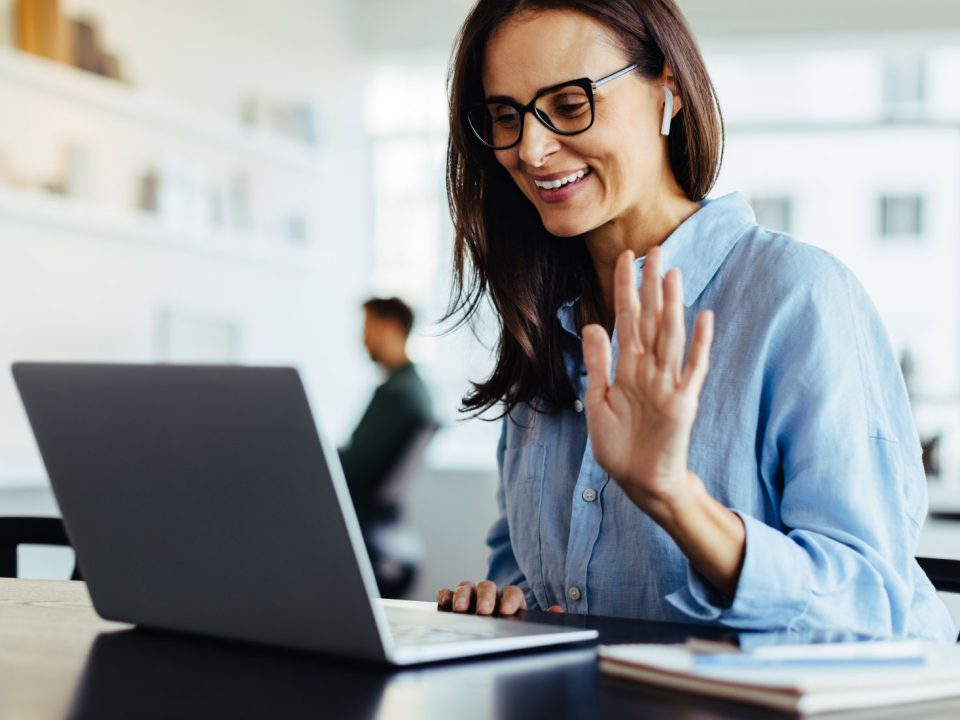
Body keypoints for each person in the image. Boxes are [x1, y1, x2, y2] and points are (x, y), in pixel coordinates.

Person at [435, 0, 955, 641]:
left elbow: (870, 606)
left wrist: (675, 497)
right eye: (504, 116)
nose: (533, 150)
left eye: (570, 105)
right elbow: (525, 575)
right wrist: (503, 603)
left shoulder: (799, 297)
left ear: (668, 92)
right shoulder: (542, 321)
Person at [339, 297, 434, 595]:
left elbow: (353, 470)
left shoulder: (397, 395)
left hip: (364, 528)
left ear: (391, 328)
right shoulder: (414, 389)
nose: (363, 339)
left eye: (368, 328)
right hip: (385, 524)